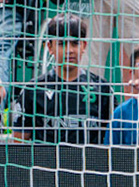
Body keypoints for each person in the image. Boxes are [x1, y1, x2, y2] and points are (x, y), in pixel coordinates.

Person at [10, 14, 115, 145]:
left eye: (75, 43)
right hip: (46, 164)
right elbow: (18, 143)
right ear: (49, 47)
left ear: (84, 46)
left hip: (90, 164)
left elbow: (114, 140)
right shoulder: (33, 90)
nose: (69, 50)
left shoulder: (102, 89)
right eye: (61, 44)